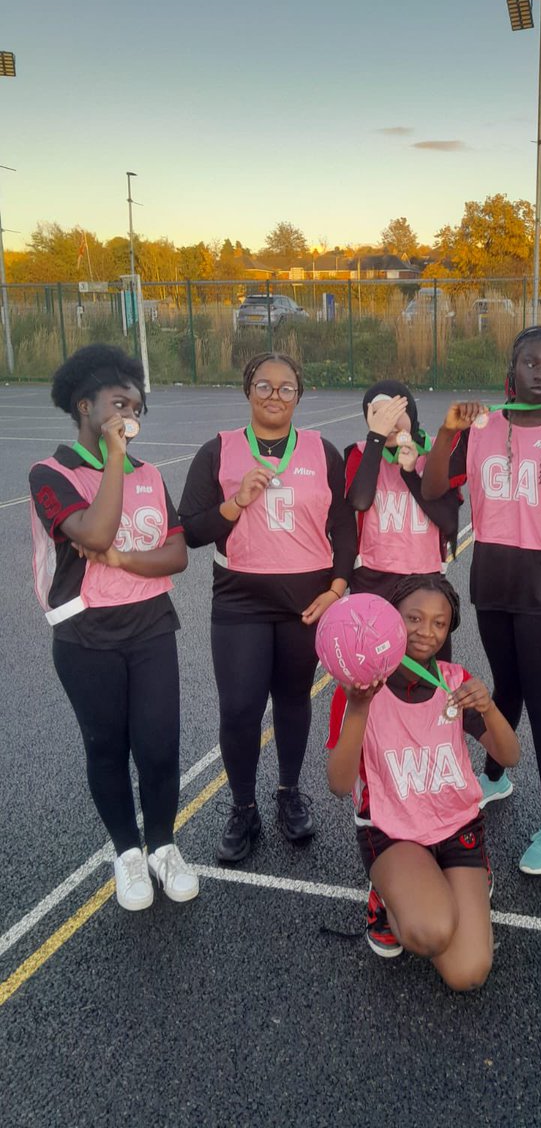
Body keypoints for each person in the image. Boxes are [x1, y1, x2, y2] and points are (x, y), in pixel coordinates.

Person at [29, 344, 197, 911]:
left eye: (137, 407)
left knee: (159, 746)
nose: (131, 414)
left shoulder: (149, 474)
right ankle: (127, 853)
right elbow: (96, 533)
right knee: (107, 747)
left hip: (150, 623)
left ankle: (163, 847)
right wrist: (112, 461)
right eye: (119, 403)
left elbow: (176, 556)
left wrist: (127, 562)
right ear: (85, 406)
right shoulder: (49, 473)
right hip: (85, 634)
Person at [422, 326, 541, 876]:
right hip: (493, 579)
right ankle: (496, 776)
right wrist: (446, 432)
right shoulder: (477, 429)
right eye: (531, 363)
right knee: (507, 687)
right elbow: (431, 489)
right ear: (512, 367)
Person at [178, 352, 356, 863]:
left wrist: (339, 586)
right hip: (240, 599)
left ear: (299, 396)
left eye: (285, 388)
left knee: (294, 699)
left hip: (307, 600)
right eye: (263, 386)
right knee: (239, 708)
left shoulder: (323, 452)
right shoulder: (219, 452)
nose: (274, 396)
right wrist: (234, 505)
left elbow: (344, 524)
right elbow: (189, 529)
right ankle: (242, 806)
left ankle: (288, 793)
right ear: (247, 391)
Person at [326, 574, 519, 989]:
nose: (425, 632)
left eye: (439, 623)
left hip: (454, 824)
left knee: (468, 975)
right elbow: (339, 785)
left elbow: (510, 755)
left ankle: (449, 878)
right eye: (413, 618)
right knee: (431, 931)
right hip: (391, 829)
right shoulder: (358, 688)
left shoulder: (453, 681)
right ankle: (386, 897)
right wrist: (358, 710)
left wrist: (489, 709)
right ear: (392, 618)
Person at [344, 380, 460, 606]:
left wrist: (410, 474)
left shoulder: (435, 452)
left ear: (410, 413)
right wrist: (376, 439)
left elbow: (449, 522)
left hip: (425, 577)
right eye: (379, 416)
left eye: (394, 413)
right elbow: (360, 501)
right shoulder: (360, 453)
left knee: (426, 640)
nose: (388, 423)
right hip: (372, 576)